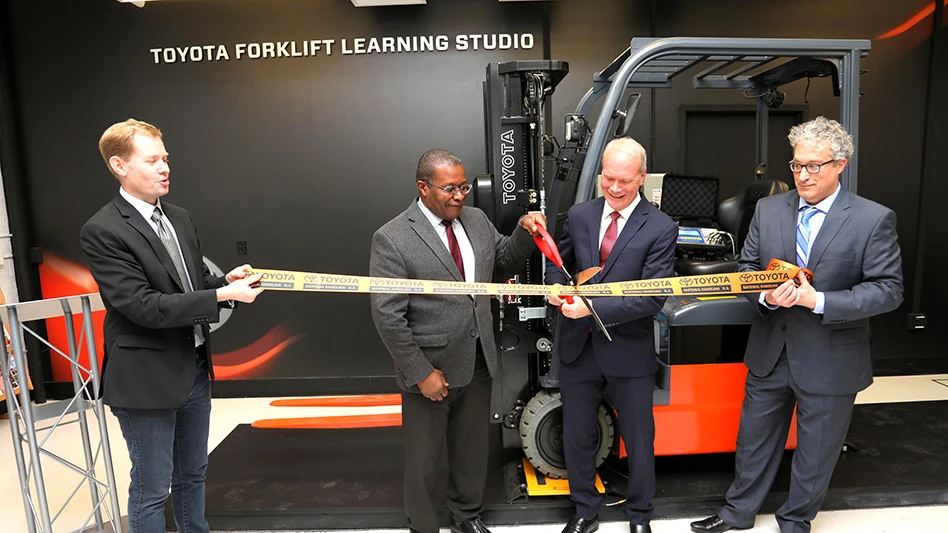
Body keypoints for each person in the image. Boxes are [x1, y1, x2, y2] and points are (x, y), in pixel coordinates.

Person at [690, 117, 903, 533]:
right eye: (796, 165)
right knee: (753, 441)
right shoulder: (769, 210)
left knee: (817, 449)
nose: (803, 176)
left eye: (814, 166)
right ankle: (737, 514)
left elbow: (888, 290)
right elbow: (748, 268)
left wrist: (818, 300)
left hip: (831, 356)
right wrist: (766, 296)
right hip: (771, 349)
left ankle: (795, 520)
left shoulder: (872, 219)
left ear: (840, 164)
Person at [80, 119, 264, 533]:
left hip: (194, 367)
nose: (165, 168)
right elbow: (142, 306)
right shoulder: (103, 230)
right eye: (152, 160)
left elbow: (191, 284)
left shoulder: (179, 218)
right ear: (119, 165)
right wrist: (219, 297)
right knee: (151, 489)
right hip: (145, 380)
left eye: (165, 158)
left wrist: (226, 283)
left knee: (192, 476)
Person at [369, 148, 545, 533]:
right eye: (450, 188)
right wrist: (420, 372)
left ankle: (466, 516)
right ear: (423, 188)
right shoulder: (393, 238)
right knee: (423, 460)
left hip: (479, 357)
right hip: (430, 368)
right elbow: (387, 315)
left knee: (471, 451)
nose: (460, 195)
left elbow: (504, 260)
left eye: (463, 186)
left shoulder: (477, 220)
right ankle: (424, 526)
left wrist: (524, 231)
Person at [547, 137, 678, 533]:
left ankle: (640, 515)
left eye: (624, 180)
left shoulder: (660, 227)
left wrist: (590, 305)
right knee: (578, 433)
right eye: (608, 178)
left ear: (641, 177)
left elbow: (652, 296)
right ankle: (585, 509)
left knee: (639, 439)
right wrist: (556, 287)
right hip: (577, 344)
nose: (615, 188)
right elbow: (559, 262)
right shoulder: (579, 215)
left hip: (629, 347)